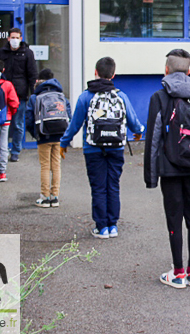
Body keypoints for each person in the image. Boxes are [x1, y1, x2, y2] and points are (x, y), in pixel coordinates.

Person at [144, 49, 190, 289]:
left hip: (171, 169)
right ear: (189, 71)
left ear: (166, 70)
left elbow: (153, 139)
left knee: (174, 220)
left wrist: (151, 176)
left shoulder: (159, 97)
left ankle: (178, 273)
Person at [60, 57, 144, 238]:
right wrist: (138, 132)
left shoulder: (86, 96)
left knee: (98, 187)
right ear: (113, 74)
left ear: (95, 72)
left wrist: (64, 143)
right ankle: (113, 225)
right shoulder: (120, 96)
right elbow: (133, 121)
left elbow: (75, 125)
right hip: (116, 147)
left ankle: (101, 227)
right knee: (113, 185)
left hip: (93, 148)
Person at [26, 68, 72, 208]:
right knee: (56, 165)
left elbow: (28, 119)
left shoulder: (35, 97)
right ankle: (55, 196)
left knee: (45, 166)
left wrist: (36, 134)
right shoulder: (61, 95)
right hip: (59, 135)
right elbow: (69, 115)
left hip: (43, 135)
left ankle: (45, 197)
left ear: (39, 81)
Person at [0, 27, 38, 162]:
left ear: (21, 39)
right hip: (3, 94)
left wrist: (33, 94)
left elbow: (32, 75)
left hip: (20, 95)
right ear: (8, 38)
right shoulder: (2, 53)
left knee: (18, 124)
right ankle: (0, 151)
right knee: (0, 123)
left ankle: (15, 151)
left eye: (17, 38)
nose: (14, 40)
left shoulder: (27, 53)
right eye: (12, 37)